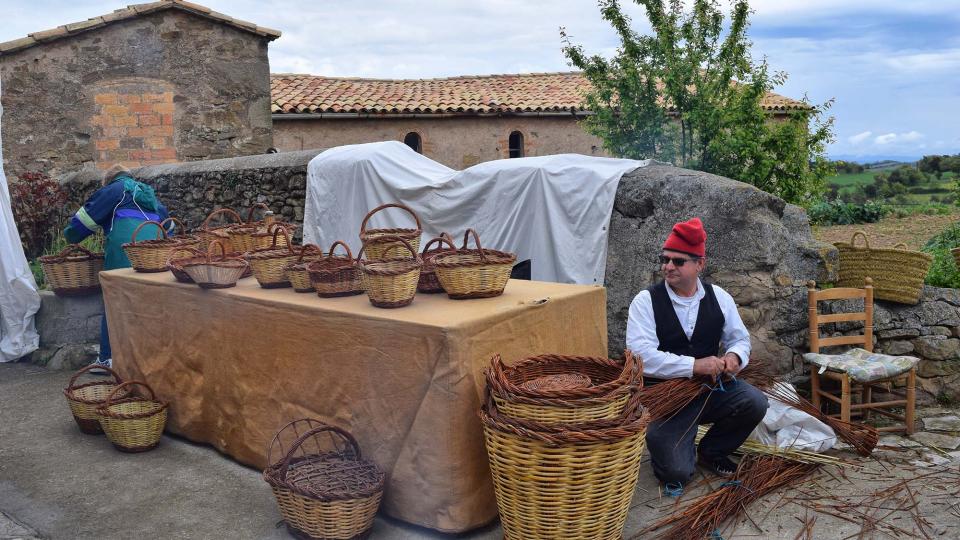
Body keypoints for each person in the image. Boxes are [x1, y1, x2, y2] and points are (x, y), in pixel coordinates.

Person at [626, 217, 767, 493]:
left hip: (710, 390)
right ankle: (676, 445)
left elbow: (739, 338)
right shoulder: (646, 301)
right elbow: (642, 356)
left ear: (699, 264)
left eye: (678, 261)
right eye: (665, 259)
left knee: (755, 402)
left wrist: (734, 359)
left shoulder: (719, 297)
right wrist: (695, 365)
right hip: (667, 397)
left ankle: (712, 450)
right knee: (676, 473)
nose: (668, 266)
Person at [63, 165, 171, 371]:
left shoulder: (112, 190)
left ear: (109, 179)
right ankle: (149, 357)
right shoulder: (148, 193)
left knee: (113, 302)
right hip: (155, 256)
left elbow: (81, 224)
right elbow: (170, 228)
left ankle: (108, 358)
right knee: (149, 305)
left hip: (124, 253)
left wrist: (70, 236)